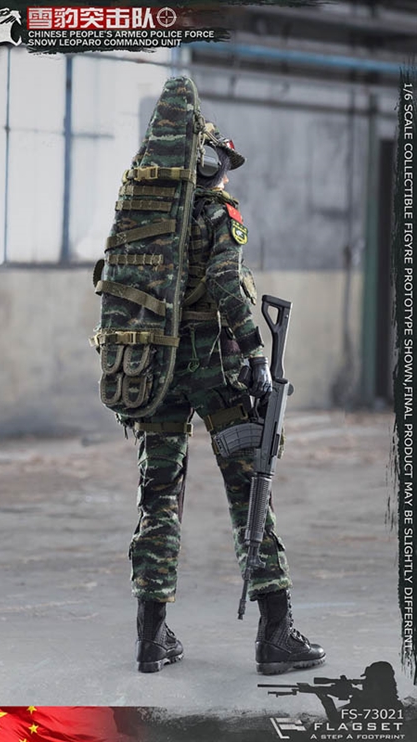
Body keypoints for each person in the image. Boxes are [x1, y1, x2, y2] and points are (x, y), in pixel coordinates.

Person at [127, 120, 325, 675]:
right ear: (210, 164)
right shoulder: (218, 211)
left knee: (159, 497)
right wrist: (255, 351)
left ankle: (151, 638)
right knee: (248, 487)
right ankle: (275, 634)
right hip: (217, 368)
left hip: (157, 368)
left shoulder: (146, 220)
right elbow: (222, 279)